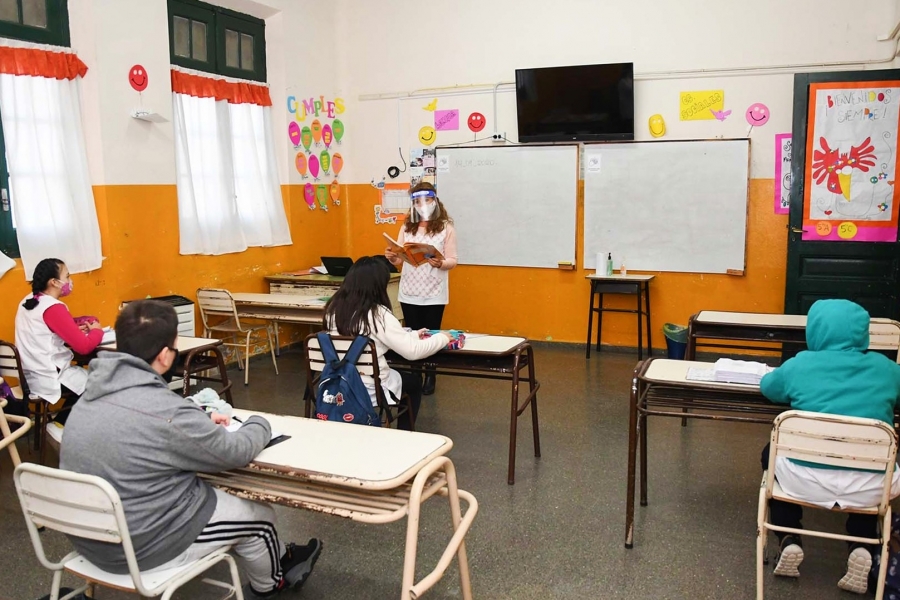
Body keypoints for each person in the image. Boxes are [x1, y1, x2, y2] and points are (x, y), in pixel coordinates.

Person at [60, 300, 322, 599]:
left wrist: (193, 418)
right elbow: (234, 451)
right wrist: (259, 422)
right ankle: (270, 587)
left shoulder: (88, 398)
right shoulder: (165, 411)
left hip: (89, 538)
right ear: (164, 356)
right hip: (140, 548)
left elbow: (143, 425)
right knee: (260, 517)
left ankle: (272, 559)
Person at [759, 299, 900, 595]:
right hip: (871, 486)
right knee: (870, 463)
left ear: (815, 330)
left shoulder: (799, 364)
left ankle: (788, 538)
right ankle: (861, 546)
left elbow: (768, 388)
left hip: (803, 481)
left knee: (770, 453)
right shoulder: (888, 369)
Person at [324, 256, 450, 430]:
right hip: (369, 387)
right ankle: (405, 433)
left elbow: (378, 338)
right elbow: (413, 352)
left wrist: (413, 335)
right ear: (378, 285)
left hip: (335, 382)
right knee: (413, 383)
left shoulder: (332, 309)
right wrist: (442, 338)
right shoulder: (378, 314)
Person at [384, 182, 457, 395]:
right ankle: (415, 374)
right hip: (409, 290)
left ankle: (431, 375)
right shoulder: (407, 227)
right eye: (416, 201)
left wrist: (440, 263)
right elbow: (400, 258)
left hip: (434, 292)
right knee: (412, 334)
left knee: (432, 334)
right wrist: (393, 256)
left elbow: (453, 260)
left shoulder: (446, 228)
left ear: (435, 201)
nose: (421, 204)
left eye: (426, 200)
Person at [15, 258, 102, 408]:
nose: (70, 281)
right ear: (54, 282)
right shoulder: (52, 307)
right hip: (50, 377)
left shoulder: (28, 301)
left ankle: (62, 420)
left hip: (31, 376)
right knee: (102, 384)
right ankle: (65, 420)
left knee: (88, 385)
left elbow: (46, 327)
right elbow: (84, 347)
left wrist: (74, 326)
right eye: (67, 276)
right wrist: (97, 331)